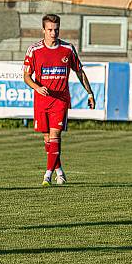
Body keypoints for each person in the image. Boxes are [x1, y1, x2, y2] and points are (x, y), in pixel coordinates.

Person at [23, 14, 95, 186]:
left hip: (60, 100)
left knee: (55, 135)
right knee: (47, 139)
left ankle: (47, 175)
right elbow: (26, 76)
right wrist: (37, 87)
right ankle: (59, 171)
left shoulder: (68, 49)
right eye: (49, 30)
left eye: (56, 30)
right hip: (42, 100)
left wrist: (90, 93)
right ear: (43, 30)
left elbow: (79, 72)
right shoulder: (34, 50)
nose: (53, 33)